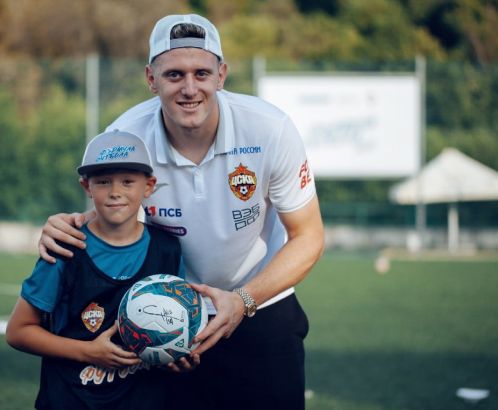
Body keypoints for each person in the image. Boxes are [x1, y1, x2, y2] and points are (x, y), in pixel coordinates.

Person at [38, 14, 325, 409]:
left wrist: (242, 300)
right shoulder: (126, 137)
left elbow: (309, 236)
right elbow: (110, 213)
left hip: (260, 303)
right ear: (151, 79)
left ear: (221, 75)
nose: (190, 89)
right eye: (174, 75)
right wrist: (69, 225)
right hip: (164, 314)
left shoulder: (269, 130)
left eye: (201, 73)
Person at [6, 130, 186, 410]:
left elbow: (176, 326)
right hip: (72, 399)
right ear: (86, 187)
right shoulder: (65, 248)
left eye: (128, 181)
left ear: (148, 186)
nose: (115, 191)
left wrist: (177, 355)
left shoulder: (168, 249)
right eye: (103, 182)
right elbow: (18, 331)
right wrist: (88, 351)